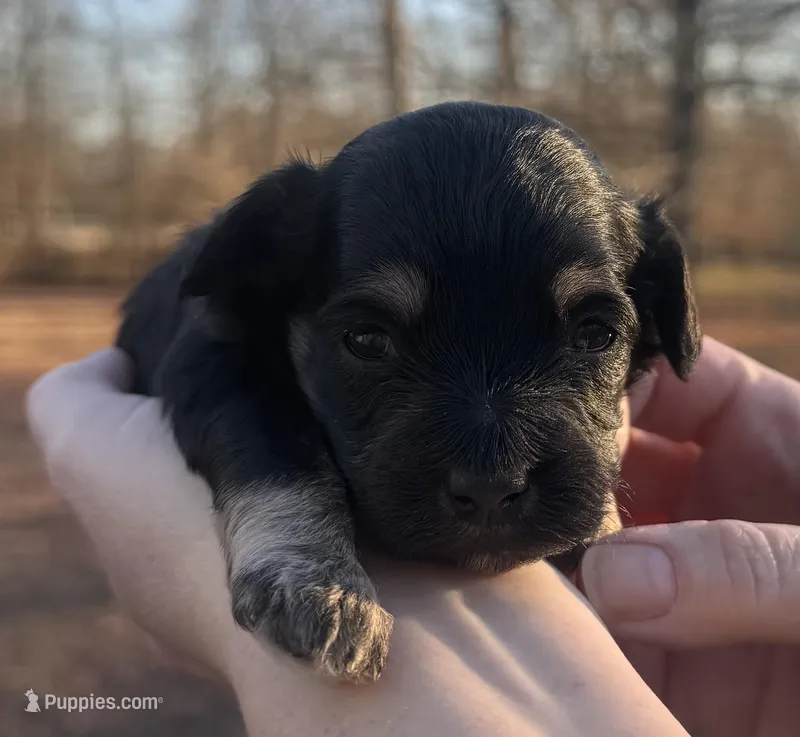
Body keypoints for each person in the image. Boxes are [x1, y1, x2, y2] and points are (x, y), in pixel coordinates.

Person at [26, 336, 800, 736]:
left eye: (591, 335)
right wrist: (283, 529)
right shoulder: (245, 305)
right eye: (371, 342)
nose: (494, 468)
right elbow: (223, 379)